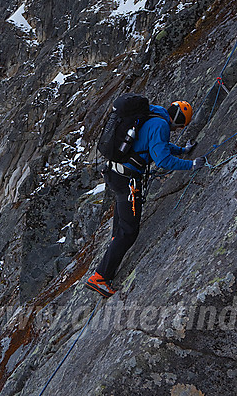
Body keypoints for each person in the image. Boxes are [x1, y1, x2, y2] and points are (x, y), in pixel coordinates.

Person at [86, 100, 207, 298]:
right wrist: (191, 164)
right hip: (127, 179)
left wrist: (182, 150)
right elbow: (162, 159)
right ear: (178, 123)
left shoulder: (154, 113)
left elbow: (156, 144)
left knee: (121, 224)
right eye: (178, 128)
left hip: (115, 172)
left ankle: (113, 253)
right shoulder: (161, 125)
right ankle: (99, 277)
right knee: (129, 231)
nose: (176, 131)